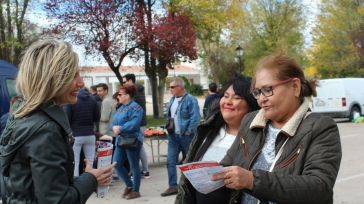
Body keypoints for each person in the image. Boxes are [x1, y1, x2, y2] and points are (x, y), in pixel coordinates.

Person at [212, 53, 342, 203]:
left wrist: (252, 180)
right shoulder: (250, 120)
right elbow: (229, 162)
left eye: (268, 89)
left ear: (295, 87)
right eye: (257, 92)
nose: (261, 99)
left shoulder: (320, 127)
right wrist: (208, 173)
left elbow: (319, 188)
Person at [0, 39, 115, 203]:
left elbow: (38, 186)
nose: (81, 83)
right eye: (72, 75)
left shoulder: (22, 115)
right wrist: (91, 179)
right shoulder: (44, 129)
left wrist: (88, 179)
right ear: (51, 79)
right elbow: (57, 200)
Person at [175, 74, 260, 204]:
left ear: (251, 104)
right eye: (225, 96)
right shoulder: (206, 130)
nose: (228, 102)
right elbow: (185, 184)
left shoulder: (257, 139)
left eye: (236, 97)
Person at [161, 77, 201, 197]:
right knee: (170, 161)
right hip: (173, 136)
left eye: (172, 87)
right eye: (170, 87)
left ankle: (193, 186)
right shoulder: (172, 99)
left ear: (180, 87)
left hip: (186, 136)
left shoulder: (190, 100)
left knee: (190, 161)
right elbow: (170, 116)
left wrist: (188, 131)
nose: (170, 89)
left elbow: (195, 118)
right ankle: (173, 186)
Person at [111, 84, 144, 200]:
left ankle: (136, 190)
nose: (117, 96)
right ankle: (129, 185)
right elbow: (114, 121)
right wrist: (114, 128)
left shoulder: (136, 108)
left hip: (133, 139)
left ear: (128, 95)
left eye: (120, 94)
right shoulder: (121, 107)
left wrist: (120, 128)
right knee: (116, 164)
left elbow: (134, 124)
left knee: (134, 166)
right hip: (121, 139)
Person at [64, 88, 100, 176]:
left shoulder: (72, 100)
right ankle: (90, 183)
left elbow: (67, 118)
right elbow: (97, 117)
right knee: (90, 162)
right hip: (90, 134)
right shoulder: (93, 99)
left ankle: (75, 184)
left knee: (75, 162)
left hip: (76, 135)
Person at [123, 73, 150, 179]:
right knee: (139, 147)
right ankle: (144, 170)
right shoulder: (139, 90)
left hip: (137, 124)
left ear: (130, 81)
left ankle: (141, 171)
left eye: (125, 82)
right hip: (139, 123)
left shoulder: (135, 92)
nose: (123, 84)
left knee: (137, 147)